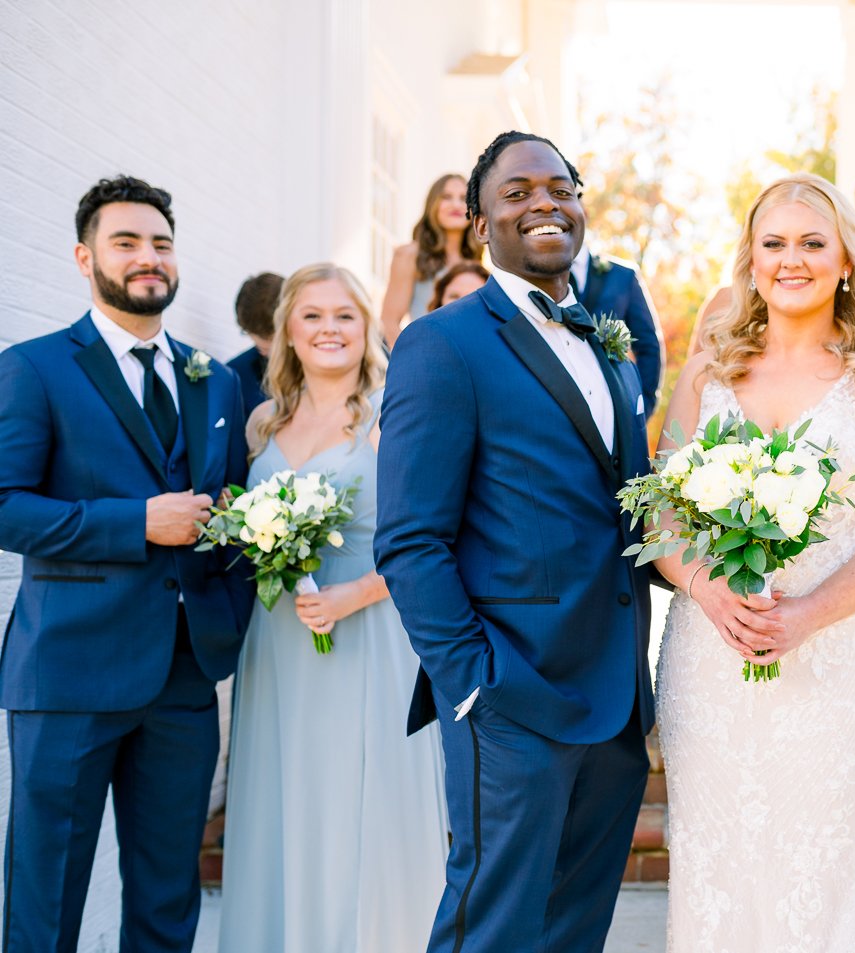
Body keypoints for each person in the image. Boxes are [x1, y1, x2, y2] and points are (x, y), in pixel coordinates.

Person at [374, 131, 653, 952]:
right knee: (489, 927)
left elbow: (621, 511)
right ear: (478, 218)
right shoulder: (442, 343)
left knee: (574, 928)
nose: (544, 203)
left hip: (614, 698)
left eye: (559, 187)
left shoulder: (609, 340)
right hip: (510, 693)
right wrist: (473, 683)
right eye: (518, 191)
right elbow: (410, 540)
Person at [654, 173, 855, 951]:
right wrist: (709, 588)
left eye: (813, 243)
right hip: (711, 660)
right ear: (749, 259)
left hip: (836, 664)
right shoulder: (712, 362)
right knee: (716, 867)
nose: (792, 259)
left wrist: (807, 614)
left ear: (846, 259)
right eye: (773, 243)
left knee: (821, 868)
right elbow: (661, 506)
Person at [0, 176, 252, 953]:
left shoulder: (217, 378)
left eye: (161, 243)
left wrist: (230, 614)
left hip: (183, 676)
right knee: (46, 894)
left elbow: (236, 509)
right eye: (127, 242)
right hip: (69, 672)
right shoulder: (36, 367)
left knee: (167, 893)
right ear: (85, 258)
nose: (149, 258)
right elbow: (6, 505)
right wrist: (136, 522)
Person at [218, 264, 448, 952]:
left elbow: (433, 531)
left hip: (371, 630)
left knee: (362, 807)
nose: (328, 329)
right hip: (282, 641)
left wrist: (357, 591)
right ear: (286, 328)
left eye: (343, 315)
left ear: (366, 327)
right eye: (311, 315)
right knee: (286, 802)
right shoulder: (265, 419)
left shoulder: (393, 412)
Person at [379, 173, 484, 344]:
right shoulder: (410, 254)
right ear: (433, 204)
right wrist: (411, 361)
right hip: (425, 353)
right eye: (446, 197)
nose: (456, 204)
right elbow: (389, 322)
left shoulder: (475, 263)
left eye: (463, 198)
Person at [573, 242, 665, 414]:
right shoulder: (532, 274)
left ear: (584, 213)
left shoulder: (623, 276)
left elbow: (648, 346)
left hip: (614, 408)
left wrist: (641, 405)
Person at [227, 271, 284, 420]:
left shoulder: (323, 362)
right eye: (261, 346)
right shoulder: (235, 374)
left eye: (273, 341)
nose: (267, 352)